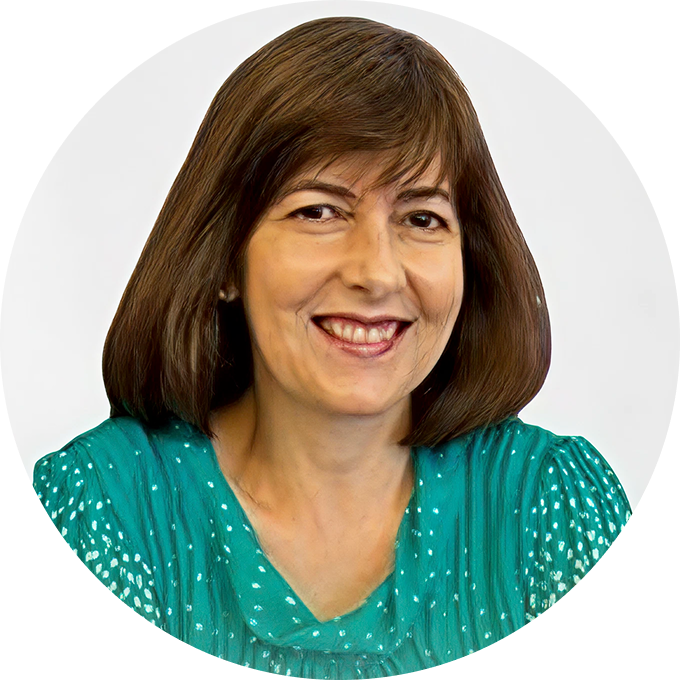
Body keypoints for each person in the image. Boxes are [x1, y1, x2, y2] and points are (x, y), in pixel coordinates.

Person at [33, 17, 631, 674]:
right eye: (319, 211)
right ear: (225, 258)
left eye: (422, 218)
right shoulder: (106, 507)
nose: (376, 273)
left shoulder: (551, 508)